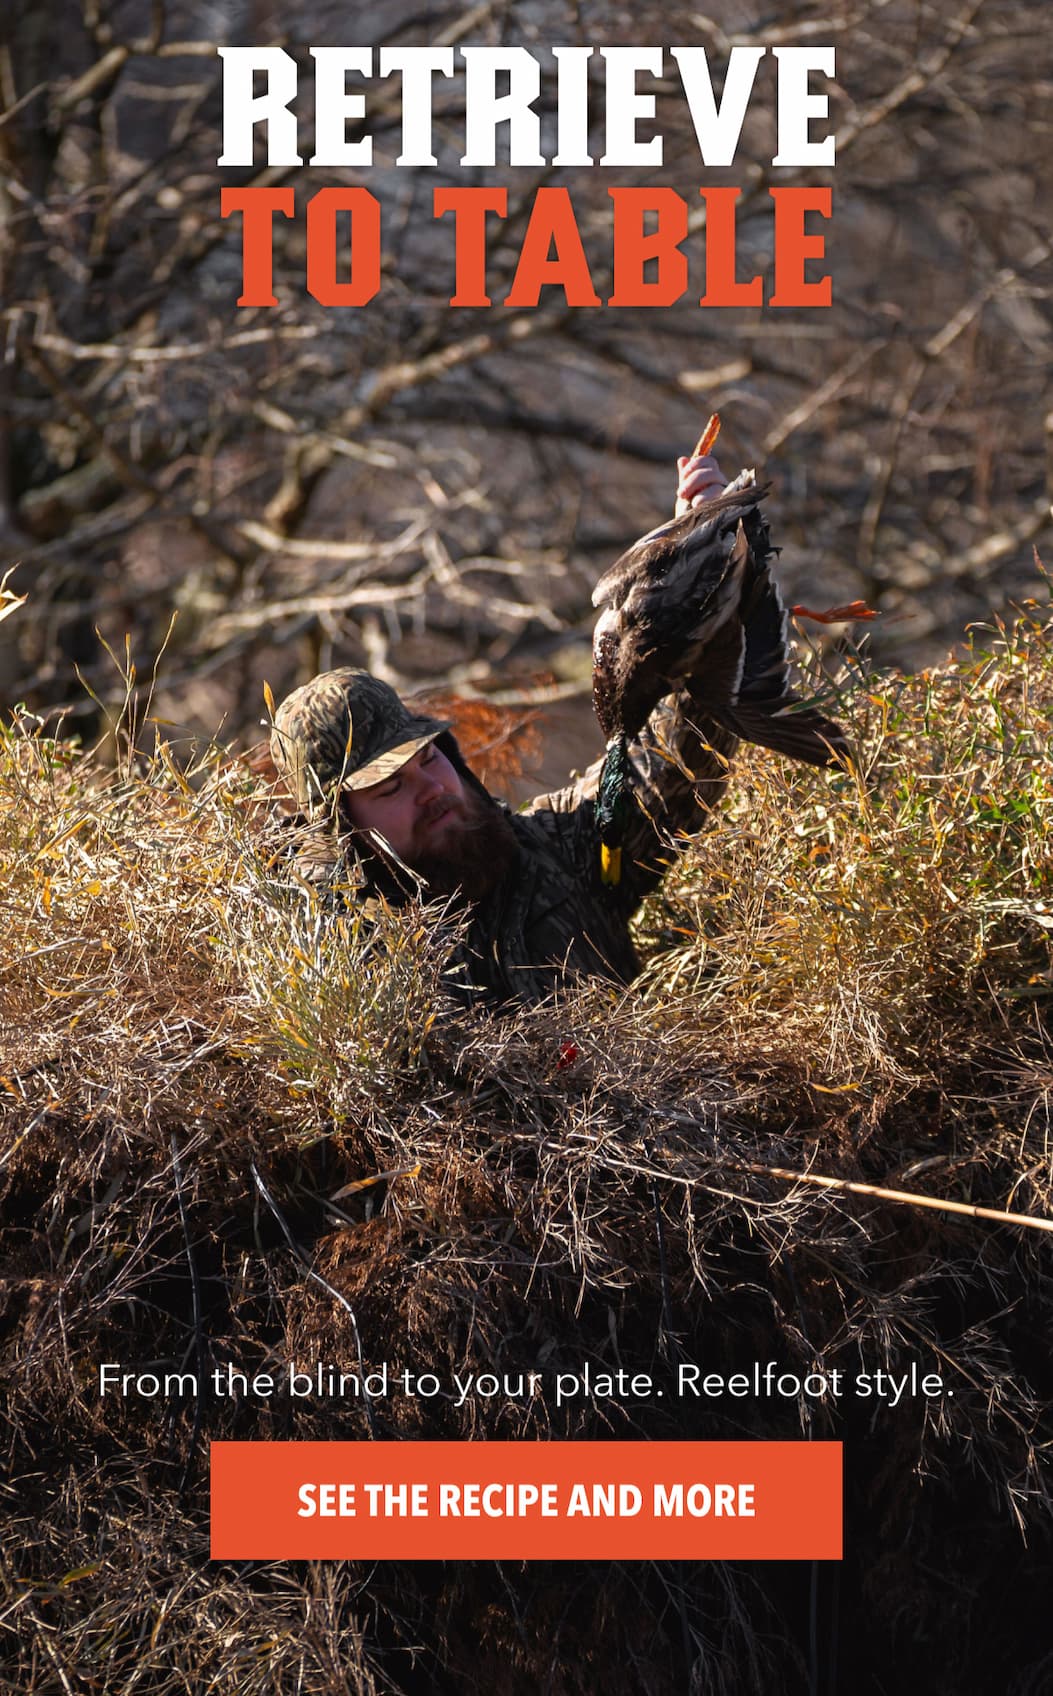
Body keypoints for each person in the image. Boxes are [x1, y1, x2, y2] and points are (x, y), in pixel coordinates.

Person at [268, 450, 755, 1006]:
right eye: (390, 787)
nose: (432, 790)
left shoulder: (564, 847)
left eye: (429, 758)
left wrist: (696, 571)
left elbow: (681, 755)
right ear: (343, 829)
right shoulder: (331, 964)